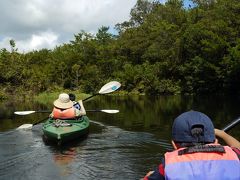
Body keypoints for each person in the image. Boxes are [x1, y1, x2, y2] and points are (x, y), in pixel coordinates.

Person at [143, 110, 240, 180]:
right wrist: (223, 134)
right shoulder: (234, 156)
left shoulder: (167, 166)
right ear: (216, 142)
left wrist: (151, 176)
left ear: (174, 144)